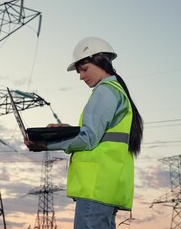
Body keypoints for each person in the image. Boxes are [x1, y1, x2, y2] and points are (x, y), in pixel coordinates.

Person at [24, 36, 143, 229]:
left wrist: (46, 144)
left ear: (100, 61)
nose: (81, 76)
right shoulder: (117, 91)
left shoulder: (105, 91)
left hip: (95, 187)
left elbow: (88, 139)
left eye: (84, 69)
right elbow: (100, 134)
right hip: (106, 186)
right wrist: (66, 131)